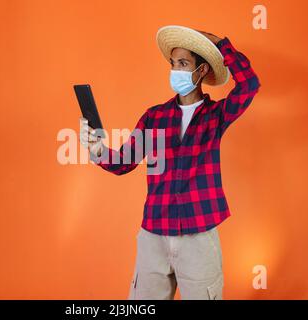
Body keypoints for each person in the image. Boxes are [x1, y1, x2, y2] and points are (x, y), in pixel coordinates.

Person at [79, 25, 260, 300]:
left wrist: (221, 44)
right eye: (173, 63)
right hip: (154, 234)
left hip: (199, 234)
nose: (175, 70)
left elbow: (249, 84)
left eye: (184, 63)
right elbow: (124, 162)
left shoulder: (216, 115)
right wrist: (97, 149)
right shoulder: (154, 117)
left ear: (201, 72)